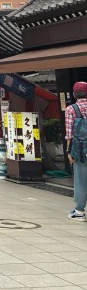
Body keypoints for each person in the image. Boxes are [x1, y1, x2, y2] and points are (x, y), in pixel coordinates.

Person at [65, 81, 87, 220]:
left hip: (80, 150)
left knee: (80, 180)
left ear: (74, 94)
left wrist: (69, 151)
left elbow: (69, 134)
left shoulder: (71, 109)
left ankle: (79, 212)